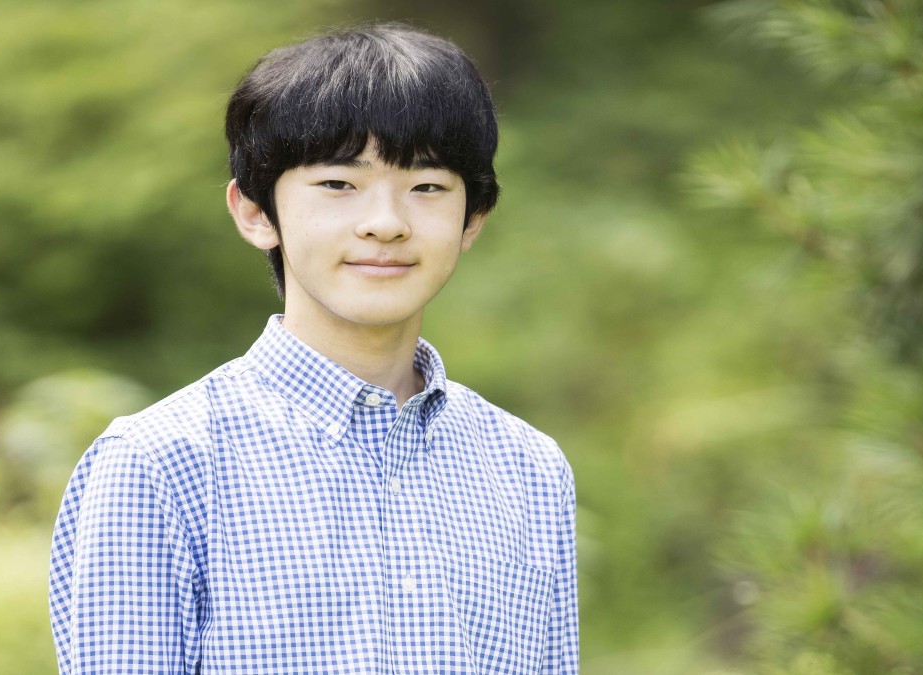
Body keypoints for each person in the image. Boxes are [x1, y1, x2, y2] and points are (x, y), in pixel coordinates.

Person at [49, 23, 578, 674]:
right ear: (254, 212)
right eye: (338, 184)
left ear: (474, 218)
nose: (385, 221)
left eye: (428, 186)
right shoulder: (159, 467)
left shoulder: (529, 468)